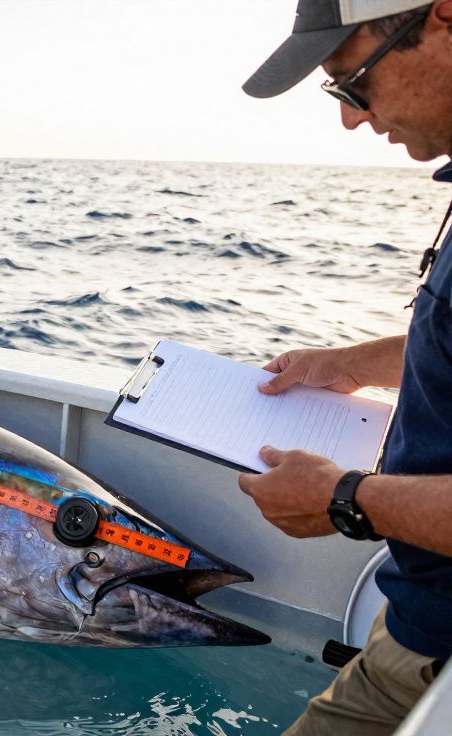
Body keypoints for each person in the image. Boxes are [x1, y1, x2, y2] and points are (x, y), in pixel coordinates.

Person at [238, 1, 452, 733]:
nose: (351, 117)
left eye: (355, 82)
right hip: (419, 626)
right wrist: (349, 363)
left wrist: (345, 497)